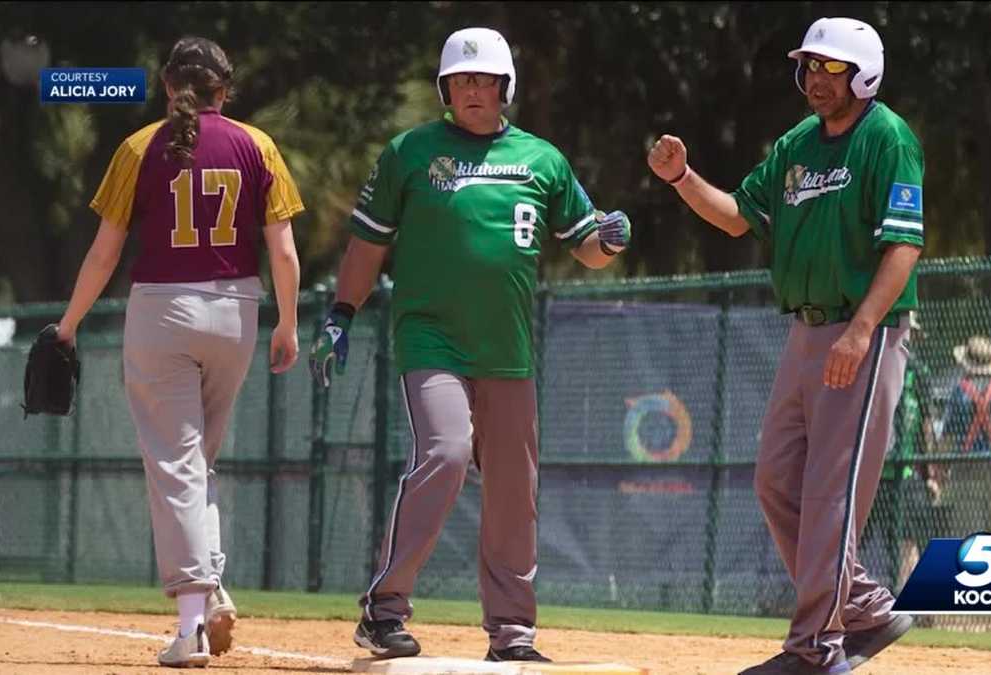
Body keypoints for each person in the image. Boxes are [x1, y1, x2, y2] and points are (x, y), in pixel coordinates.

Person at [308, 27, 631, 663]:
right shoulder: (410, 152)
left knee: (514, 486)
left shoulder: (543, 159)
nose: (473, 90)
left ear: (505, 87)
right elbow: (368, 244)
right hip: (431, 338)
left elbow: (586, 247)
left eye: (485, 80)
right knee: (447, 452)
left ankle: (512, 632)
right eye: (461, 80)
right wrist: (341, 315)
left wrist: (611, 241)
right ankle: (385, 609)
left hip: (507, 349)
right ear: (445, 89)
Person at [648, 16, 922, 675]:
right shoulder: (798, 143)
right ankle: (865, 606)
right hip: (804, 329)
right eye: (810, 66)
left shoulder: (887, 138)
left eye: (831, 67)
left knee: (830, 491)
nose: (816, 78)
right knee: (775, 480)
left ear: (864, 73)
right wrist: (684, 177)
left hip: (866, 330)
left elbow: (904, 243)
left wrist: (860, 330)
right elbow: (740, 214)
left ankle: (815, 648)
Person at [54, 37, 304, 667]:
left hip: (162, 311)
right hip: (236, 312)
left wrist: (67, 326)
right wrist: (288, 324)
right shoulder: (258, 145)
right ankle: (213, 587)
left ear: (169, 86)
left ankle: (191, 625)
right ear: (227, 87)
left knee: (176, 467)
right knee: (196, 464)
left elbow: (105, 252)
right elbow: (284, 252)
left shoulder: (140, 147)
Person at [867, 311, 937, 592]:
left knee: (907, 539)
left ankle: (906, 602)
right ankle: (846, 600)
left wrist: (931, 473)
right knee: (852, 539)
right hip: (868, 472)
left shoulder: (917, 372)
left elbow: (926, 427)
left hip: (904, 472)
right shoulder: (870, 364)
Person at [939, 336, 991, 538]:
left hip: (966, 467)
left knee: (967, 533)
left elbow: (948, 436)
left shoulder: (960, 392)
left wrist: (939, 471)